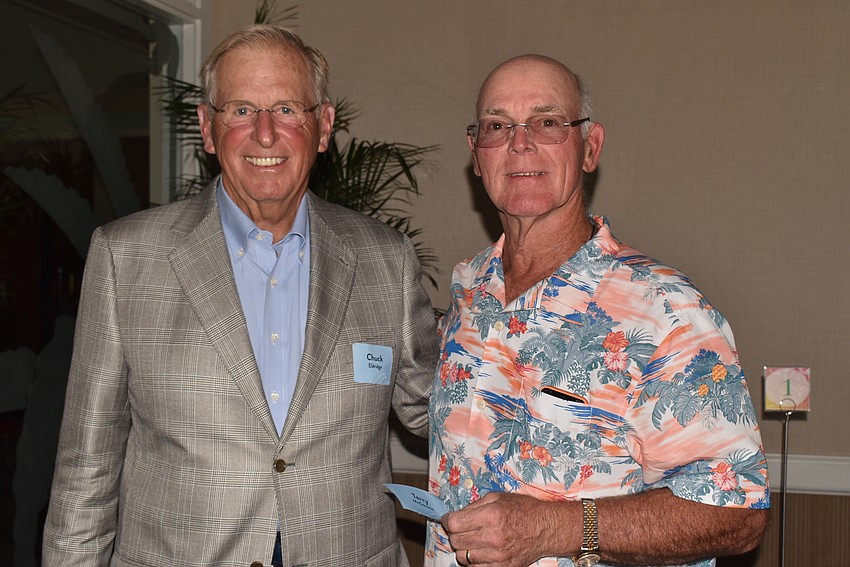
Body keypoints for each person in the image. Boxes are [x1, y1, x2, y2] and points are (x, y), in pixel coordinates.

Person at [42, 25, 438, 567]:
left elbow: (438, 412)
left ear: (323, 126)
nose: (265, 134)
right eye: (241, 110)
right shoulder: (126, 258)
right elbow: (86, 466)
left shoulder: (384, 259)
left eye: (287, 109)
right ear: (208, 128)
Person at [426, 54, 770, 567]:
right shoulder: (468, 290)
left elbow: (738, 513)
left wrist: (556, 528)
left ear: (590, 148)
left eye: (547, 122)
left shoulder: (665, 309)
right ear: (476, 154)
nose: (520, 143)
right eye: (497, 126)